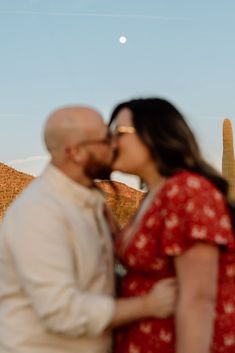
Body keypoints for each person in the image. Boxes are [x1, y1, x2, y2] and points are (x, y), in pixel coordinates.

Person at [0, 106, 177, 353]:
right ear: (77, 153)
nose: (114, 145)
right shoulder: (39, 212)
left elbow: (96, 282)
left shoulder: (89, 203)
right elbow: (62, 312)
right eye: (106, 139)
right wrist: (148, 305)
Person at [109, 98, 235, 353]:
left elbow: (198, 299)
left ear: (152, 134)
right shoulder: (156, 196)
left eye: (119, 133)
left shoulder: (188, 190)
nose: (111, 142)